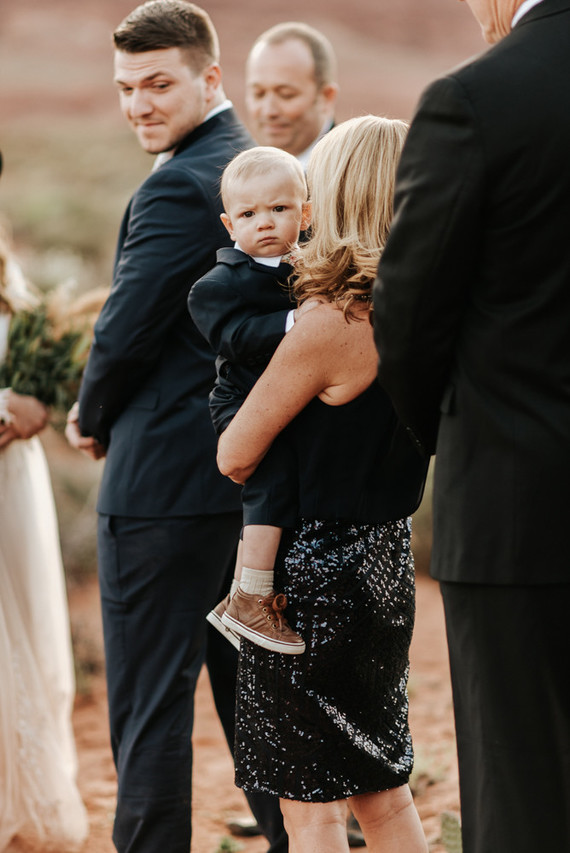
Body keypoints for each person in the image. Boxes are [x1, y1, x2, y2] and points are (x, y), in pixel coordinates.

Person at [64, 3, 287, 852]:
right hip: (248, 490)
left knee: (151, 708)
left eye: (158, 84)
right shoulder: (256, 166)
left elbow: (124, 328)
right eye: (126, 88)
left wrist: (89, 413)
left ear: (211, 77)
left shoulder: (177, 183)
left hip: (158, 489)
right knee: (261, 708)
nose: (139, 106)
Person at [372, 1, 570, 851]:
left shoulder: (476, 99)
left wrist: (454, 440)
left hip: (517, 508)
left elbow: (409, 321)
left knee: (522, 785)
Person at [216, 115, 429, 853]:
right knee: (385, 788)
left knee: (310, 806)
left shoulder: (328, 321)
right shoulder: (424, 305)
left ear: (332, 193)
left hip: (309, 578)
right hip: (386, 561)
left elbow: (236, 455)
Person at [189, 146, 311, 655]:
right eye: (248, 213)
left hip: (291, 395)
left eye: (280, 209)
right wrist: (294, 324)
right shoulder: (217, 286)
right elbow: (232, 339)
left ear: (306, 212)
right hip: (241, 399)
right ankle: (250, 593)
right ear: (228, 224)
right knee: (271, 472)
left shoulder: (314, 266)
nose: (265, 222)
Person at [0, 155, 89, 851]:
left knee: (23, 625)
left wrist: (31, 406)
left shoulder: (15, 289)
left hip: (11, 478)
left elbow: (38, 380)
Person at [245, 22, 338, 169]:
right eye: (259, 94)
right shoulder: (239, 173)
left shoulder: (353, 176)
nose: (269, 111)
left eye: (286, 95)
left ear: (326, 97)